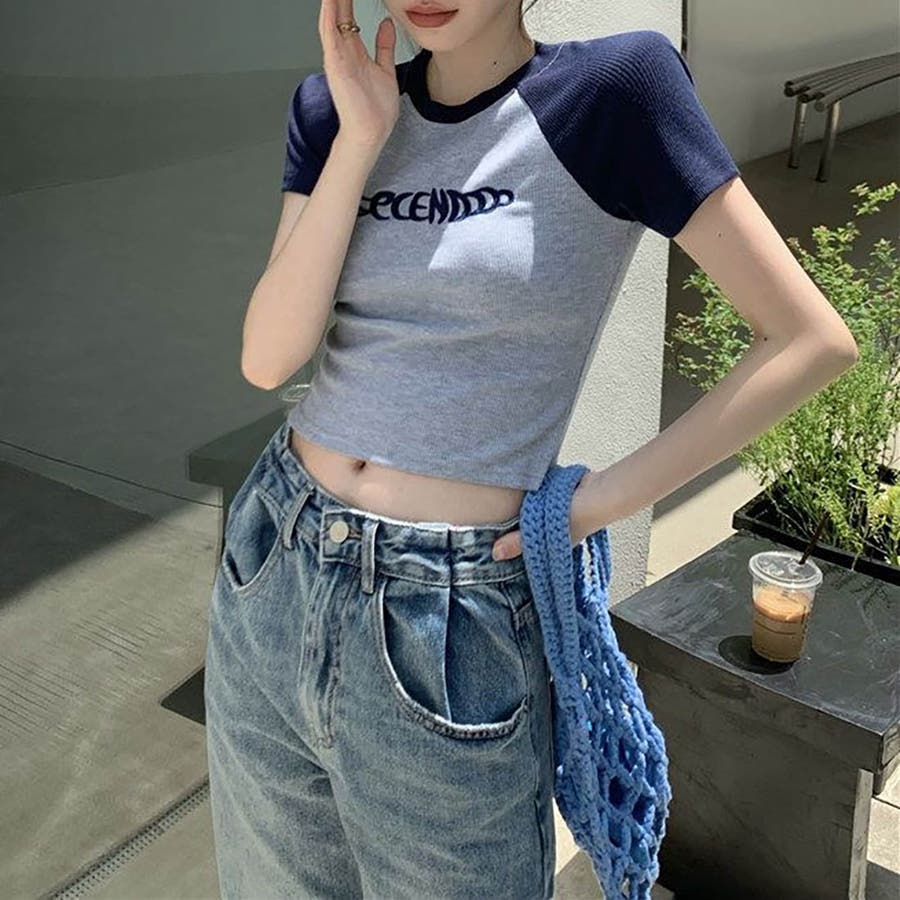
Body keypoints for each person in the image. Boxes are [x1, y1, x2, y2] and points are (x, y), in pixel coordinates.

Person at [204, 1, 859, 898]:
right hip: (275, 565)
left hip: (445, 616)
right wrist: (359, 140)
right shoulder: (332, 108)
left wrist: (597, 502)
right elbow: (269, 358)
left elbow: (809, 340)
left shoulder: (613, 94)